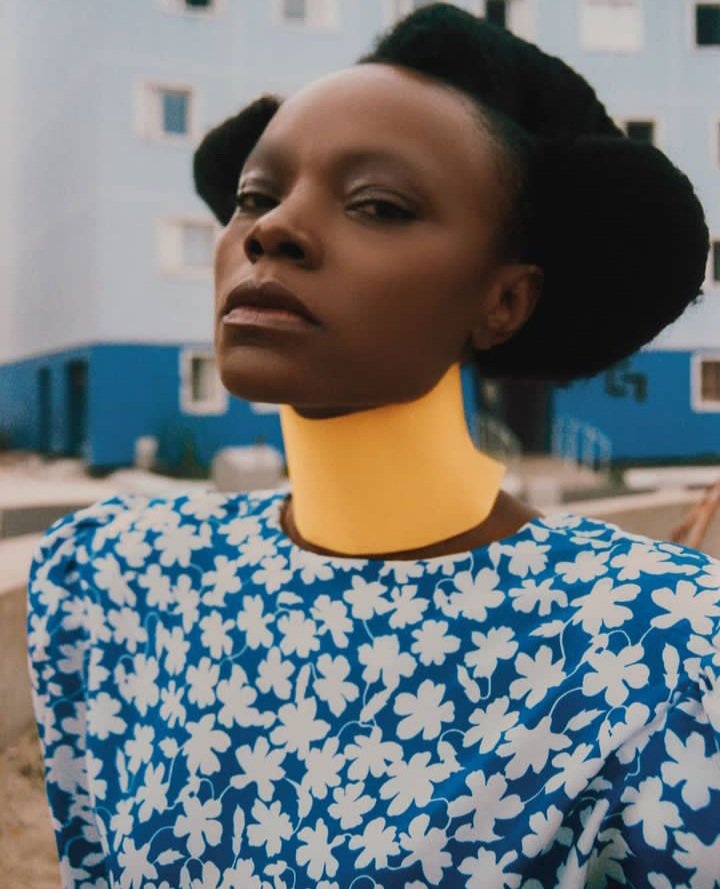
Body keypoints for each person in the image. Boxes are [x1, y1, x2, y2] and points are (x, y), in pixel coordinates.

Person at [27, 5, 719, 888]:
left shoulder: (661, 652)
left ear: (504, 300)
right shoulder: (114, 580)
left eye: (378, 205)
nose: (270, 230)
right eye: (255, 196)